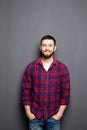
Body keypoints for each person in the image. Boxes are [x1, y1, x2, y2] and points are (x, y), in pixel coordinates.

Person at [21, 35, 70, 130]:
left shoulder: (63, 68)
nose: (47, 48)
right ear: (40, 47)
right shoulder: (31, 67)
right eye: (44, 45)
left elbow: (65, 93)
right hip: (35, 117)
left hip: (54, 117)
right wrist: (29, 114)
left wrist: (59, 114)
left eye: (50, 45)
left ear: (55, 48)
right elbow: (25, 92)